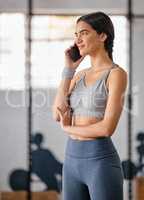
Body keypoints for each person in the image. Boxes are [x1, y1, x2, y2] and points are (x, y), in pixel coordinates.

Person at [52, 11, 127, 200]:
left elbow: (106, 128)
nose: (78, 39)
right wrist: (68, 70)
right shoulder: (77, 75)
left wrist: (69, 128)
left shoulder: (116, 74)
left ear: (102, 35)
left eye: (84, 33)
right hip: (71, 161)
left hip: (100, 162)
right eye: (76, 35)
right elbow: (56, 113)